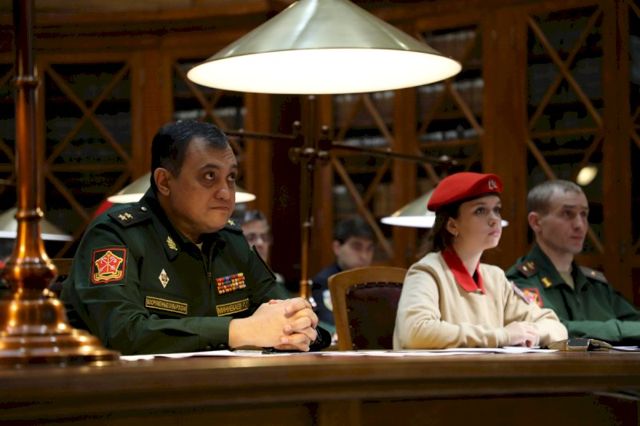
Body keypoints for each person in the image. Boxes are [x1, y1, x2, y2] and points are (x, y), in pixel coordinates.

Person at [61, 120, 329, 355]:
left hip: (220, 386)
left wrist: (302, 325)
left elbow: (283, 312)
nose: (226, 193)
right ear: (164, 182)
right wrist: (239, 331)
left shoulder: (231, 240)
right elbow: (121, 334)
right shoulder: (116, 235)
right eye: (209, 176)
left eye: (231, 177)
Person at [393, 172, 567, 349]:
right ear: (452, 225)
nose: (494, 219)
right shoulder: (427, 271)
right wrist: (502, 335)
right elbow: (415, 333)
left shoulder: (495, 277)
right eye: (480, 210)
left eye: (497, 209)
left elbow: (555, 326)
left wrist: (532, 333)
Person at [506, 179, 640, 345]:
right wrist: (619, 330)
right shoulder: (520, 281)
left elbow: (635, 321)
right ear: (536, 222)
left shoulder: (595, 284)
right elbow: (555, 329)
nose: (579, 225)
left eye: (584, 214)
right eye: (567, 214)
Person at [312, 216, 375, 330]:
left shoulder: (376, 282)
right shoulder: (324, 281)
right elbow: (332, 322)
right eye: (357, 247)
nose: (364, 256)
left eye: (369, 249)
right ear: (337, 247)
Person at [232, 209, 286, 287]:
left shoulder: (276, 280)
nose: (260, 243)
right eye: (251, 237)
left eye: (264, 237)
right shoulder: (229, 281)